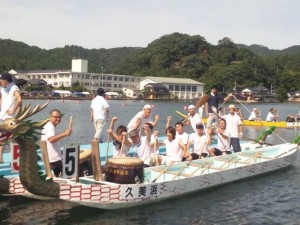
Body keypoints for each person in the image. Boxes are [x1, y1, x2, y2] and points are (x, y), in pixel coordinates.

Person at [41, 109, 72, 177]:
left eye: (59, 117)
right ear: (50, 117)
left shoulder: (49, 126)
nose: (58, 119)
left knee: (56, 175)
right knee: (68, 175)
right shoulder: (50, 127)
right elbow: (51, 139)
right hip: (54, 159)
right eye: (56, 117)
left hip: (51, 157)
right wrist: (65, 133)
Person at [0, 72, 22, 163]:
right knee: (3, 138)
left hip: (9, 119)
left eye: (1, 80)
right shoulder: (2, 88)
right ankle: (1, 158)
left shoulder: (14, 88)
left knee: (11, 138)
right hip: (2, 117)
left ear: (5, 80)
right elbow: (2, 98)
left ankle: (17, 157)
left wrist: (13, 111)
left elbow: (19, 99)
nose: (0, 81)